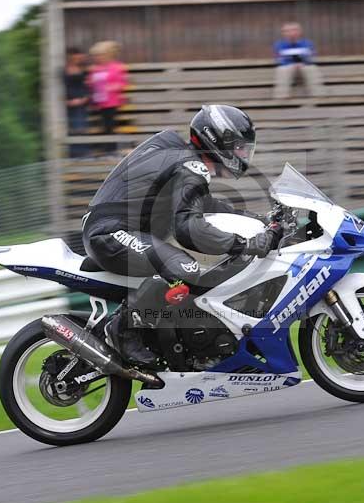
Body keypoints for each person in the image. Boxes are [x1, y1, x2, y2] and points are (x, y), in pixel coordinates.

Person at [81, 105, 282, 365]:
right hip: (109, 232)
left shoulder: (184, 159)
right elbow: (189, 229)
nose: (242, 154)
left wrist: (261, 220)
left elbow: (205, 206)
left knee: (195, 270)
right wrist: (245, 244)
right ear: (217, 139)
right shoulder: (189, 166)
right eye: (239, 147)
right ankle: (121, 330)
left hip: (119, 228)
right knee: (184, 266)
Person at [88, 41, 128, 152]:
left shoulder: (116, 67)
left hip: (111, 102)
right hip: (98, 101)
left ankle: (110, 149)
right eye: (95, 56)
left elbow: (122, 83)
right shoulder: (95, 68)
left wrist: (110, 88)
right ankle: (106, 148)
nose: (97, 58)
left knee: (109, 126)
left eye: (99, 55)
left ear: (107, 55)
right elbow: (91, 83)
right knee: (102, 126)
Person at [273, 22, 324, 99]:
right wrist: (292, 64)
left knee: (312, 69)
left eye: (294, 30)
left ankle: (319, 97)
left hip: (304, 67)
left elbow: (311, 57)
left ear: (300, 32)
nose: (291, 33)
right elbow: (279, 59)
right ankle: (281, 99)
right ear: (283, 33)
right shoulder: (279, 45)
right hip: (288, 68)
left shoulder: (307, 43)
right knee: (282, 70)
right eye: (287, 31)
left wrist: (302, 62)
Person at [64, 47, 90, 157]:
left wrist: (84, 99)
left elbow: (87, 86)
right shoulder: (63, 70)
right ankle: (74, 153)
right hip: (70, 103)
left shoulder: (83, 70)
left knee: (81, 126)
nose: (78, 58)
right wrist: (67, 101)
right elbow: (62, 87)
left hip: (81, 102)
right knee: (73, 127)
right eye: (76, 56)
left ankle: (82, 153)